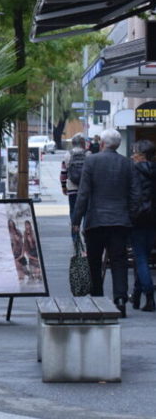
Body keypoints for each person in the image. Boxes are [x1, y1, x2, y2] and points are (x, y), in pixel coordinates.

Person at [72, 129, 140, 317]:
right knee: (119, 261)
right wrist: (130, 216)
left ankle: (98, 299)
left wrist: (76, 220)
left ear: (101, 143)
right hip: (120, 221)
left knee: (94, 261)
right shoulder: (127, 164)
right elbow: (135, 194)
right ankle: (120, 299)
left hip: (96, 221)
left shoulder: (91, 161)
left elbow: (83, 193)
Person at [129, 140, 156, 312]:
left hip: (137, 218)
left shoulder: (133, 171)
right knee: (144, 256)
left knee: (140, 258)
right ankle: (137, 295)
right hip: (153, 219)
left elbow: (131, 195)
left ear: (141, 156)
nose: (132, 156)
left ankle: (149, 294)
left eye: (135, 153)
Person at [60, 134, 88, 237]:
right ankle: (86, 234)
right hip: (86, 190)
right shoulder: (88, 154)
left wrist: (64, 186)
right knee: (87, 212)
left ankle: (75, 237)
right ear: (82, 143)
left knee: (73, 212)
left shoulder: (67, 155)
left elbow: (63, 173)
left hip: (72, 189)